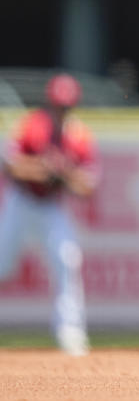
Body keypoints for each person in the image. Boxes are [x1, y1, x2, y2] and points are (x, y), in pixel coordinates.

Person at [0, 74, 100, 355]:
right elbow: (10, 167)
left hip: (50, 206)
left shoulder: (79, 136)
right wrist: (44, 169)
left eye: (66, 105)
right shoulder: (32, 125)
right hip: (21, 201)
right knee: (2, 265)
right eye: (58, 104)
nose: (61, 110)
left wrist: (63, 174)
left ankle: (70, 332)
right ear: (49, 102)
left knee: (68, 259)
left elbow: (88, 187)